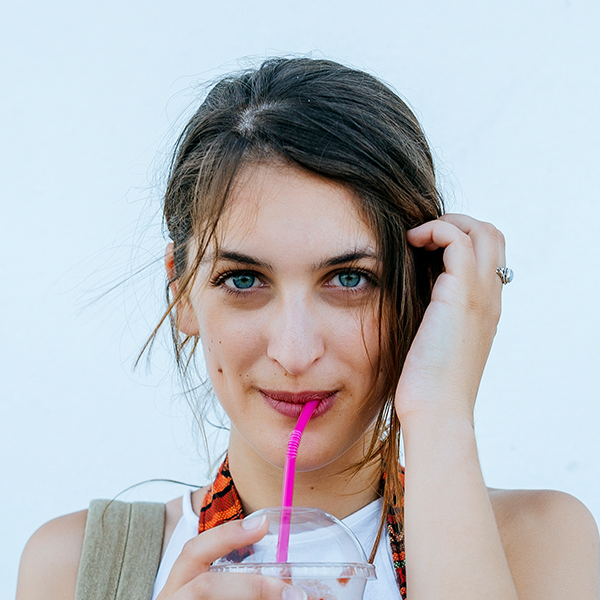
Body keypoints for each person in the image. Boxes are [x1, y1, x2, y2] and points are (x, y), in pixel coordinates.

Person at [16, 57, 600, 600]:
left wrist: (440, 412)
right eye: (243, 280)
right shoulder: (75, 567)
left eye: (349, 279)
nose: (294, 353)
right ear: (182, 295)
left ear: (421, 290)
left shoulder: (537, 546)